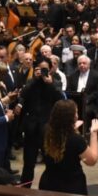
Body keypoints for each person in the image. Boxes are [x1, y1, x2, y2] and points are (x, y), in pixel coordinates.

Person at [37, 101, 98, 195]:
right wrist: (93, 134)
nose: (77, 116)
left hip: (49, 184)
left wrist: (72, 128)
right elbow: (91, 160)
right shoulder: (76, 140)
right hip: (71, 187)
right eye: (76, 113)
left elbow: (61, 137)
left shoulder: (45, 131)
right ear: (72, 118)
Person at [18, 57, 64, 187]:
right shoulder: (31, 82)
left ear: (50, 69)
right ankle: (25, 188)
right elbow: (23, 94)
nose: (42, 71)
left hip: (48, 128)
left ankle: (51, 188)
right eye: (40, 68)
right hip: (31, 128)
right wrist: (34, 79)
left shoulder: (56, 82)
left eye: (45, 69)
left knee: (50, 161)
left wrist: (50, 83)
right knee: (28, 163)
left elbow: (61, 99)